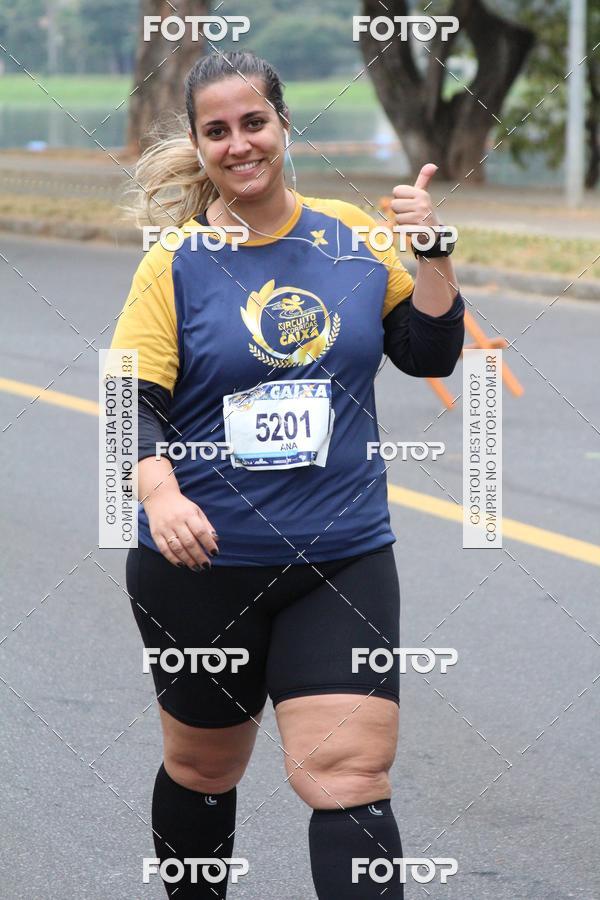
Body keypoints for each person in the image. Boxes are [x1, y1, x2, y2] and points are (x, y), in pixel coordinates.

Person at [112, 49, 464, 899]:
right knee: (202, 767)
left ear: (282, 125)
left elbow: (427, 351)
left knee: (349, 775)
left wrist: (434, 254)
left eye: (253, 123)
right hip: (202, 562)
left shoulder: (350, 233)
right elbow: (133, 400)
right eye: (217, 131)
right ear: (200, 146)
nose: (239, 144)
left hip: (339, 555)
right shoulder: (176, 263)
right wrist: (159, 494)